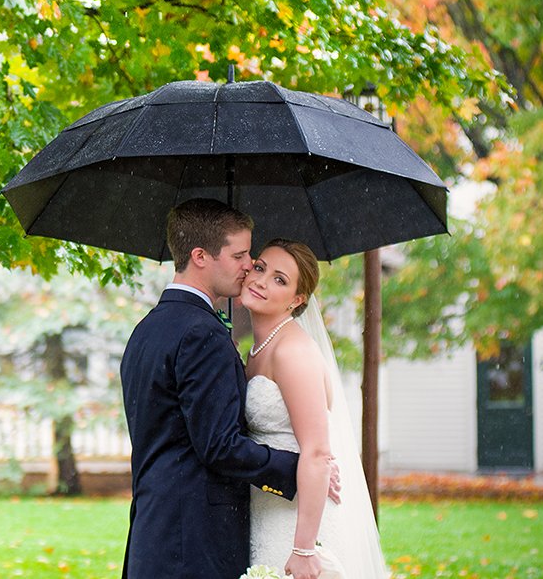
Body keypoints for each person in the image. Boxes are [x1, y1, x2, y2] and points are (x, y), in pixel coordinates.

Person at [120, 198, 305, 579]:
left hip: (155, 533)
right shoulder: (201, 333)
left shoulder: (146, 330)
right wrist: (295, 468)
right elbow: (219, 446)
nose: (249, 265)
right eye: (239, 254)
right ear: (201, 256)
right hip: (194, 544)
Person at [241, 238, 389, 579]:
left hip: (297, 521)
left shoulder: (293, 352)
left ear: (296, 300)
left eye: (280, 279)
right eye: (260, 268)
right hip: (270, 503)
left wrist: (304, 548)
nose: (261, 280)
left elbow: (318, 452)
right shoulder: (259, 347)